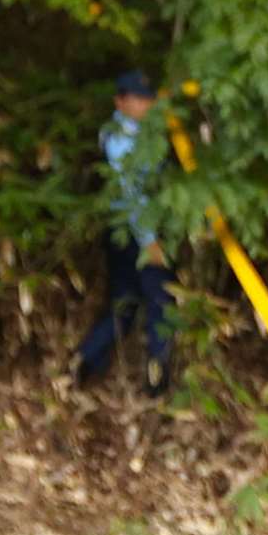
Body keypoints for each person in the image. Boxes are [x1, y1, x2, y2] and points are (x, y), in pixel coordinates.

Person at [75, 70, 173, 395]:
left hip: (133, 230)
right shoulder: (118, 139)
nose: (146, 105)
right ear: (120, 102)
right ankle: (156, 380)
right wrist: (150, 242)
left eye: (148, 98)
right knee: (159, 300)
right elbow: (133, 196)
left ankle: (84, 361)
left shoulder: (148, 133)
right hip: (134, 232)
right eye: (138, 99)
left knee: (126, 304)